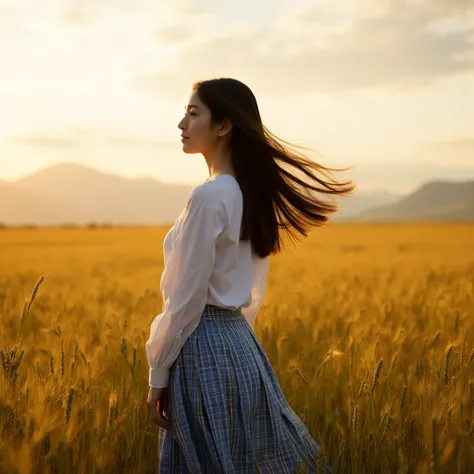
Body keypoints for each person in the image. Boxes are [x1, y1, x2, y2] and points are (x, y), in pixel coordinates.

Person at [145, 77, 355, 473]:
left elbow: (185, 298)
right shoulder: (248, 193)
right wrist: (237, 340)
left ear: (224, 126)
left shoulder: (207, 197)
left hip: (199, 345)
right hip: (241, 347)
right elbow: (253, 290)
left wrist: (158, 370)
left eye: (193, 114)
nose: (181, 124)